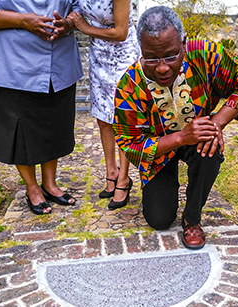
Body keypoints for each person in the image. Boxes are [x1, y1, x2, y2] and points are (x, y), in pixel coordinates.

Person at [112, 6, 238, 249]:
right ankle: (164, 185)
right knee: (159, 220)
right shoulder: (129, 86)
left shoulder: (205, 55)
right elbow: (130, 145)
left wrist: (216, 122)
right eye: (151, 58)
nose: (162, 67)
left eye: (171, 56)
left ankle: (192, 218)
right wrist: (181, 137)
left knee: (211, 149)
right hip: (159, 152)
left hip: (198, 138)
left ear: (183, 43)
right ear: (140, 50)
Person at [0, 0, 83, 215]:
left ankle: (50, 183)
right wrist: (25, 21)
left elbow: (78, 5)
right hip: (10, 58)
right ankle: (32, 187)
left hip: (58, 54)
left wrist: (69, 23)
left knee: (53, 120)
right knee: (18, 124)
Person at [68, 0, 140, 210]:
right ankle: (111, 173)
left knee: (122, 118)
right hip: (99, 53)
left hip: (122, 55)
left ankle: (124, 179)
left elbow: (121, 32)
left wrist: (84, 28)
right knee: (102, 118)